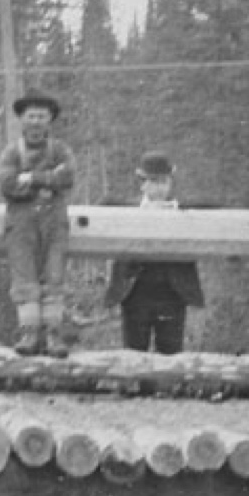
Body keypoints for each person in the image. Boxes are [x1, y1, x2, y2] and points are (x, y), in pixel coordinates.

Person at [0, 91, 75, 357]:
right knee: (24, 276)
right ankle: (29, 333)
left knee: (54, 275)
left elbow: (67, 176)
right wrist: (44, 181)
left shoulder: (61, 149)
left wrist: (30, 178)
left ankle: (53, 334)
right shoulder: (11, 152)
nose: (36, 122)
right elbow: (6, 184)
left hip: (55, 222)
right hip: (20, 223)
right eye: (31, 116)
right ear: (22, 120)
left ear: (50, 120)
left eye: (42, 116)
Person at [102, 150, 205, 354]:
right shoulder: (126, 211)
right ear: (142, 184)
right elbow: (101, 208)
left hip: (172, 292)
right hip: (136, 291)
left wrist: (179, 212)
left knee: (171, 353)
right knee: (133, 352)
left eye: (163, 182)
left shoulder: (186, 212)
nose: (159, 188)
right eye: (153, 181)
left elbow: (217, 211)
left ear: (171, 183)